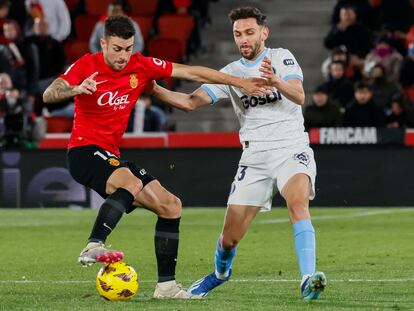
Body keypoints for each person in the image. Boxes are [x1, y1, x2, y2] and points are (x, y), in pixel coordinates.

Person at [42, 15, 268, 300]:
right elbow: (49, 94)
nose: (123, 56)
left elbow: (192, 73)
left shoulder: (141, 65)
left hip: (111, 155)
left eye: (128, 48)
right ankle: (94, 245)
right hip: (84, 152)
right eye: (116, 49)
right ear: (103, 44)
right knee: (131, 183)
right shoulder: (87, 65)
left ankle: (167, 287)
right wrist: (75, 89)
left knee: (171, 205)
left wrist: (239, 81)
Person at [151, 6, 327, 300]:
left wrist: (276, 82)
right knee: (230, 239)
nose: (243, 39)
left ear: (263, 33)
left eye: (249, 32)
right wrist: (154, 88)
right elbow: (190, 102)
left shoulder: (281, 57)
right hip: (254, 157)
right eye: (237, 34)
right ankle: (220, 273)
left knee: (297, 203)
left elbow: (298, 95)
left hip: (290, 147)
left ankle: (308, 279)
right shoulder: (230, 74)